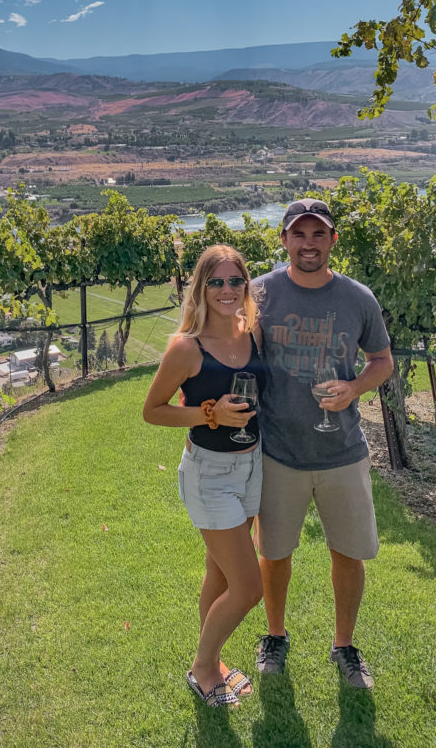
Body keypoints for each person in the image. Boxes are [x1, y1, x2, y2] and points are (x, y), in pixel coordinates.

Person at [252, 198, 393, 689]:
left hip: (342, 452)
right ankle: (274, 636)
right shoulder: (260, 294)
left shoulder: (358, 298)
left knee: (347, 553)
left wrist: (354, 388)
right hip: (277, 450)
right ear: (284, 240)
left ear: (333, 240)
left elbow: (382, 360)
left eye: (318, 234)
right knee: (274, 552)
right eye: (299, 234)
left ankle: (345, 645)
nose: (308, 244)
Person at [143, 245, 268, 707]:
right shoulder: (186, 348)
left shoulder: (252, 334)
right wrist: (210, 414)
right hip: (210, 475)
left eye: (236, 281)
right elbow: (152, 411)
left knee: (219, 573)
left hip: (252, 467)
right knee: (249, 587)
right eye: (216, 282)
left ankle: (212, 662)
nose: (228, 290)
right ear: (200, 288)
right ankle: (202, 668)